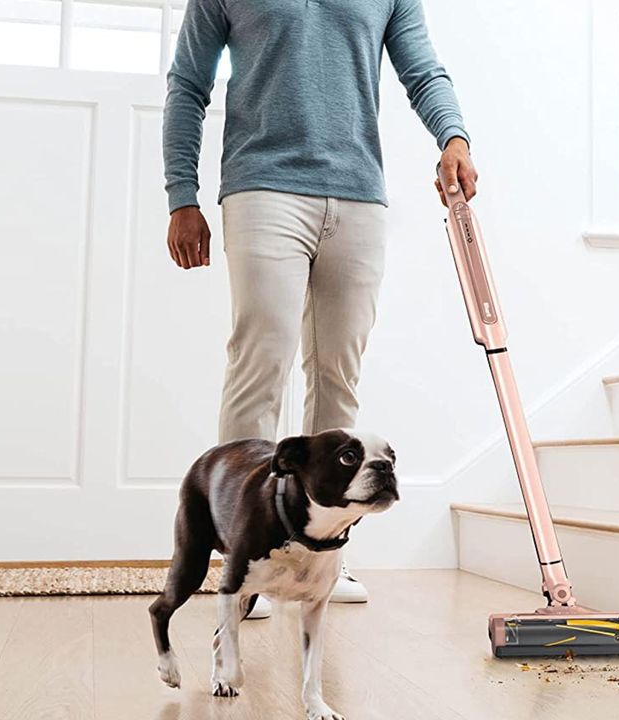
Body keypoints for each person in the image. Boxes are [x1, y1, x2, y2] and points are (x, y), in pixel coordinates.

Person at [162, 0, 476, 611]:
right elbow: (188, 84)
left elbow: (423, 70)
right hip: (262, 186)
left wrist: (453, 134)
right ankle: (247, 567)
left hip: (359, 195)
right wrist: (182, 194)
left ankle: (322, 561)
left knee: (338, 374)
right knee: (262, 363)